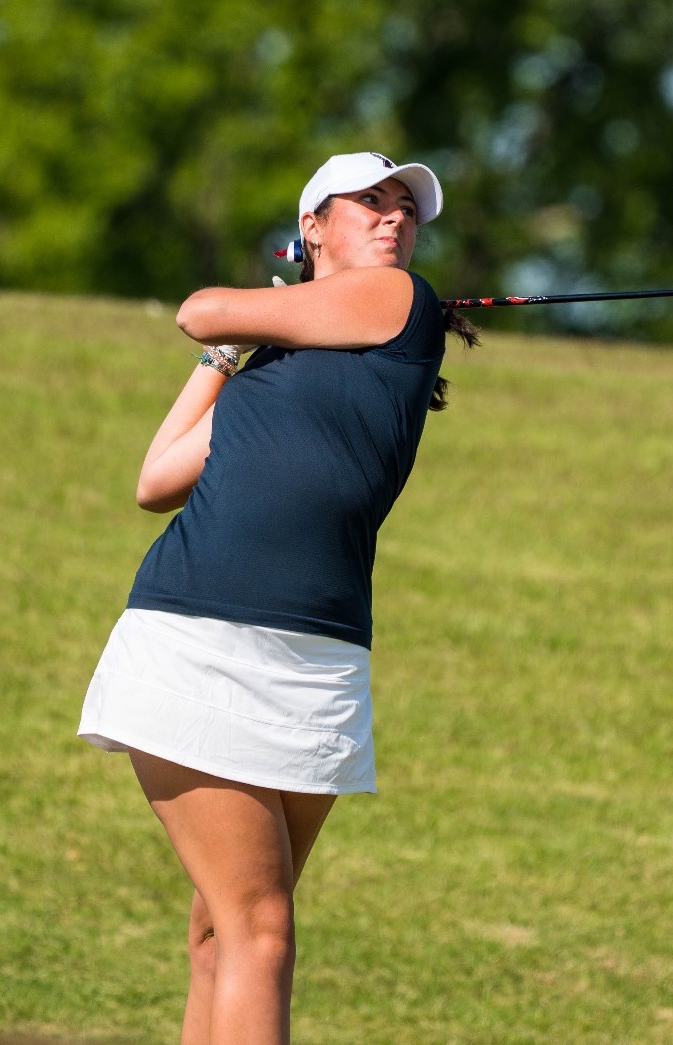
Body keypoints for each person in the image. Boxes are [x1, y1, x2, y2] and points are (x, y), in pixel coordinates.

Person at [78, 152, 476, 1044]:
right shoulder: (269, 374)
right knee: (257, 930)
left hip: (320, 663)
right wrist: (231, 359)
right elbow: (157, 476)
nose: (393, 219)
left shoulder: (404, 303)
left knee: (228, 934)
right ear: (313, 228)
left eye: (406, 209)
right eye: (369, 202)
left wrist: (248, 320)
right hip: (195, 639)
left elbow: (203, 303)